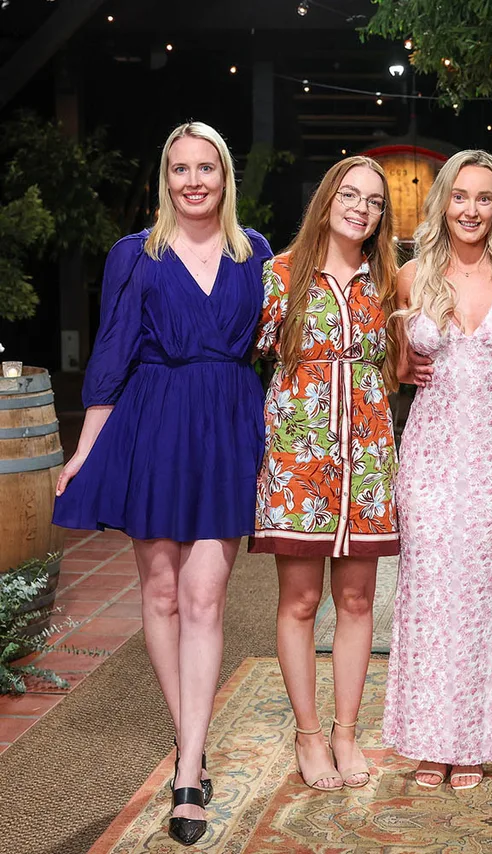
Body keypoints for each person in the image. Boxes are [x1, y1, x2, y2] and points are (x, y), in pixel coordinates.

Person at [53, 121, 272, 846]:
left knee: (207, 595)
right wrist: (85, 450)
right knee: (162, 593)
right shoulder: (133, 255)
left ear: (224, 175)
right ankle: (192, 746)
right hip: (153, 427)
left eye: (205, 167)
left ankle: (188, 769)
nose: (193, 181)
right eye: (179, 169)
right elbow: (112, 356)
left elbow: (284, 347)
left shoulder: (257, 253)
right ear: (165, 179)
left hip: (227, 428)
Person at [381, 150, 492, 791]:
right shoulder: (411, 276)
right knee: (428, 597)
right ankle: (429, 738)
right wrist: (408, 368)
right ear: (442, 201)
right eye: (460, 196)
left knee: (488, 598)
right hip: (429, 456)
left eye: (484, 198)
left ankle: (475, 739)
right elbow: (398, 369)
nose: (471, 210)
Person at [251, 156, 399, 792]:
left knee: (359, 600)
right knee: (302, 600)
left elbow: (410, 358)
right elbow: (242, 356)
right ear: (326, 197)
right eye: (349, 194)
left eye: (373, 201)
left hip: (366, 465)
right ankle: (307, 734)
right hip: (298, 463)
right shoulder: (280, 276)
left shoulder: (389, 282)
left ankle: (345, 732)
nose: (360, 208)